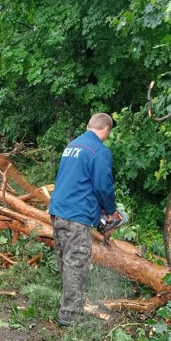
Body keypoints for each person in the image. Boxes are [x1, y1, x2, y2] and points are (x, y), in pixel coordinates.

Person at [48, 113, 117, 327]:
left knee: (65, 259)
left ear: (88, 126)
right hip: (76, 215)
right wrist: (111, 211)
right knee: (76, 263)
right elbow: (103, 186)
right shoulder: (99, 151)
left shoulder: (72, 146)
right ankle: (70, 316)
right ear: (106, 130)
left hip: (58, 209)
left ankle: (69, 304)